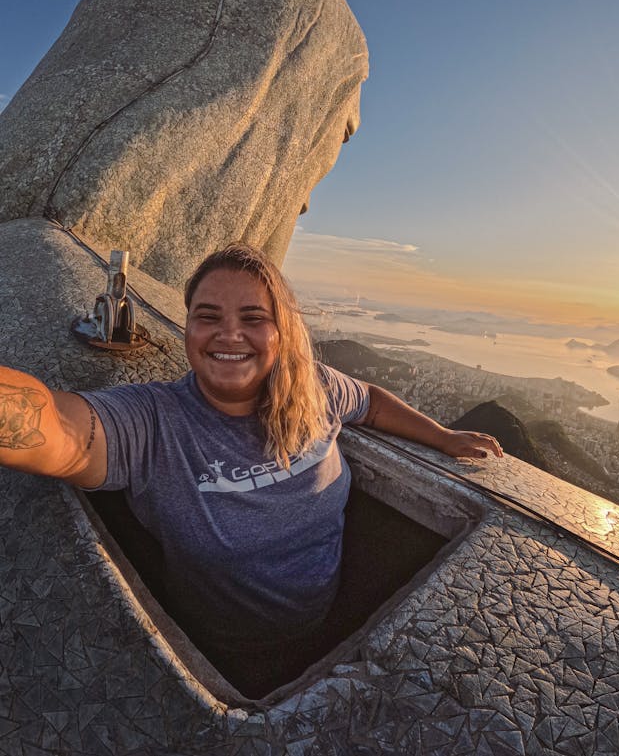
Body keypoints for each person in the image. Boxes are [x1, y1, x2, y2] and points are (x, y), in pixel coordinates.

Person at [0, 243, 502, 696]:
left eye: (252, 317)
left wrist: (442, 436)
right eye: (208, 315)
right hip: (227, 654)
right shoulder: (155, 422)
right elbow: (59, 429)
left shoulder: (314, 389)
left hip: (327, 624)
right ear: (189, 327)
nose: (229, 333)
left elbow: (369, 401)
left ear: (281, 333)